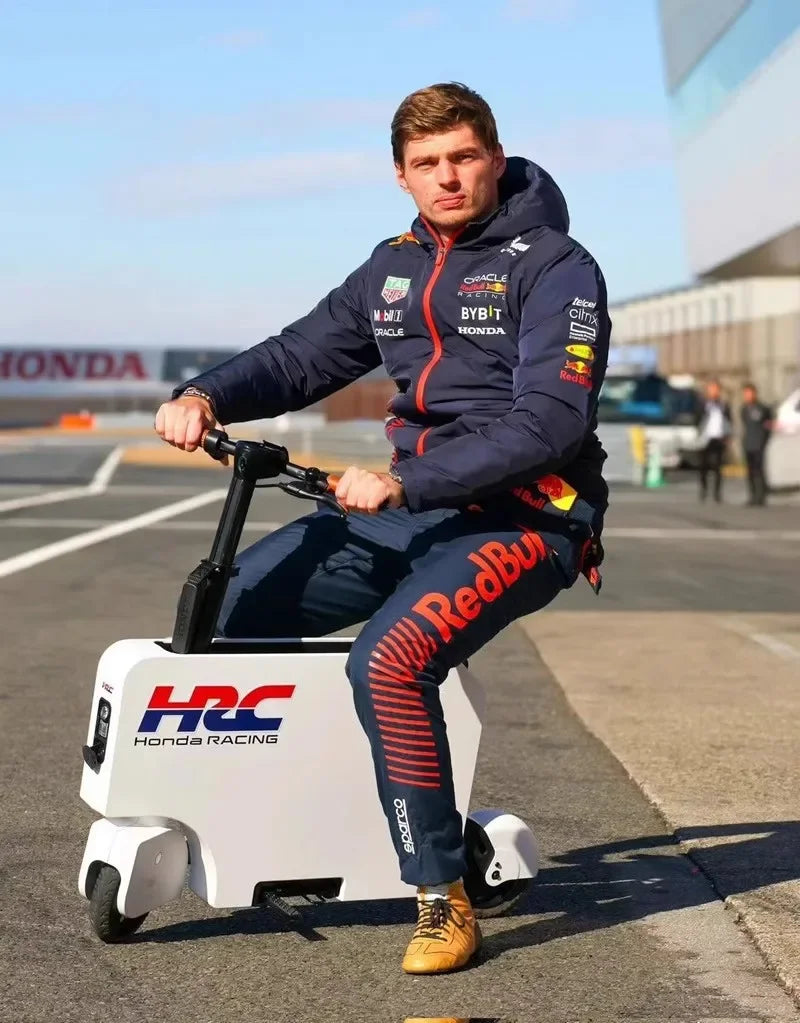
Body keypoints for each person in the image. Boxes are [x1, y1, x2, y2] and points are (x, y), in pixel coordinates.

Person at [154, 82, 611, 974]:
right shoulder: (392, 267)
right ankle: (343, 819)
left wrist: (407, 481)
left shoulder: (557, 265)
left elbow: (552, 421)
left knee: (391, 658)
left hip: (527, 516)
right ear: (400, 175)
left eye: (464, 157)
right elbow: (301, 355)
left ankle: (443, 895)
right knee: (228, 618)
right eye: (427, 163)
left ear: (496, 156)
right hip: (409, 507)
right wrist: (205, 393)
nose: (449, 177)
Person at [695, 379, 732, 502]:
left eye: (716, 389)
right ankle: (704, 490)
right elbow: (697, 419)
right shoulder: (703, 404)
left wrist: (727, 436)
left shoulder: (723, 405)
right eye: (711, 389)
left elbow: (729, 420)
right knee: (703, 466)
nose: (714, 392)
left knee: (717, 466)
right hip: (705, 438)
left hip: (718, 438)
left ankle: (717, 493)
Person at [740, 382, 772, 505]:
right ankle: (752, 495)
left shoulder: (763, 409)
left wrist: (764, 440)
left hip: (758, 443)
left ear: (754, 393)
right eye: (745, 394)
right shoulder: (744, 409)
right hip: (748, 443)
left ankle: (761, 496)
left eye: (749, 393)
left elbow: (768, 426)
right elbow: (745, 424)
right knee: (750, 471)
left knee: (759, 471)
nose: (747, 396)